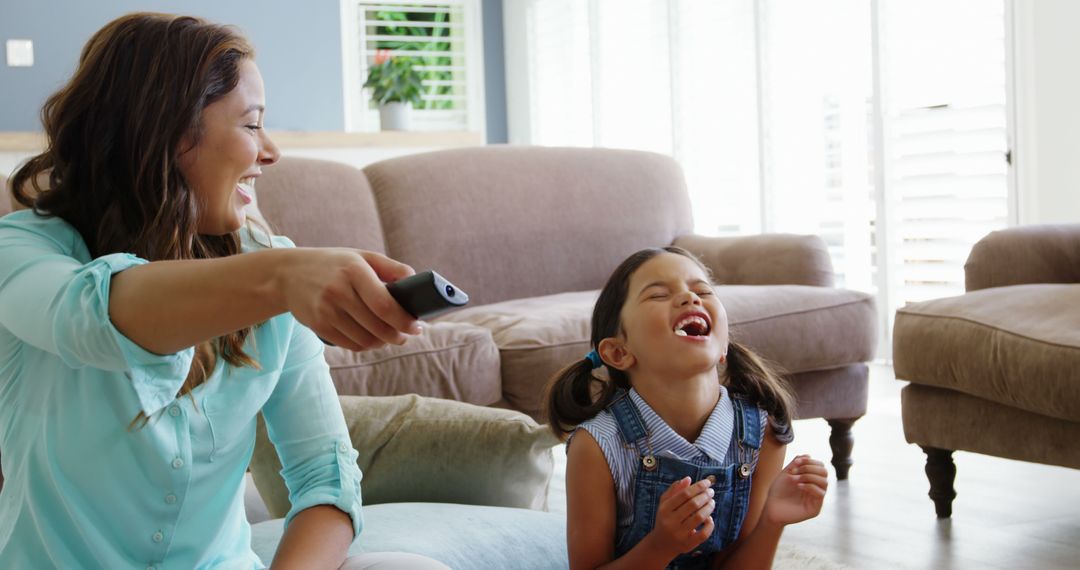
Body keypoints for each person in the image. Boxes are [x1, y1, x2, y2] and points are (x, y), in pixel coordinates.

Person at [0, 12, 446, 570]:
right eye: (252, 124)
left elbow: (325, 478)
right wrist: (283, 277)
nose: (271, 152)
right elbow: (90, 319)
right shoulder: (22, 252)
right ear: (166, 131)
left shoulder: (268, 269)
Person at [546, 246, 828, 569]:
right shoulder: (597, 446)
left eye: (702, 291)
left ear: (723, 345)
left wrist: (772, 520)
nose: (690, 298)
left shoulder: (762, 431)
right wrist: (660, 546)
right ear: (618, 352)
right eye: (658, 295)